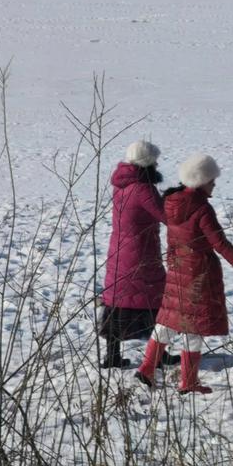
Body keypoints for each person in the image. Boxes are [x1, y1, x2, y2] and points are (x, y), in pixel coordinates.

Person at [135, 153, 233, 394]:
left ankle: (147, 369)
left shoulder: (171, 201)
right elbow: (220, 243)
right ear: (201, 180)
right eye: (211, 180)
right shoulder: (202, 208)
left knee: (168, 321)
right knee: (193, 327)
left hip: (177, 269)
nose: (214, 184)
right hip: (199, 275)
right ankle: (189, 382)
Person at [99, 140, 168, 369]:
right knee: (155, 302)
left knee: (118, 303)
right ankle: (158, 355)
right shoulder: (143, 188)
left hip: (119, 252)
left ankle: (112, 357)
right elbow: (166, 215)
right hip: (141, 254)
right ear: (148, 162)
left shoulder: (122, 185)